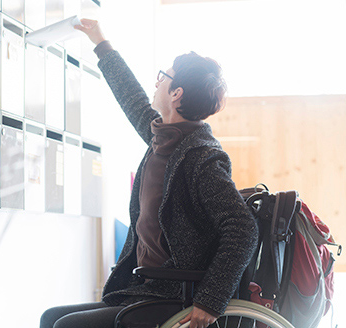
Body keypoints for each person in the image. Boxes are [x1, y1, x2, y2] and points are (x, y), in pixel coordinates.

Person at [40, 19, 259, 328]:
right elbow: (131, 97)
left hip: (174, 294)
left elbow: (243, 229)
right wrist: (100, 42)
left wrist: (210, 301)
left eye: (163, 77)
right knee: (51, 318)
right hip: (146, 288)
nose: (156, 83)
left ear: (176, 93)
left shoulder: (202, 156)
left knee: (67, 325)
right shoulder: (163, 137)